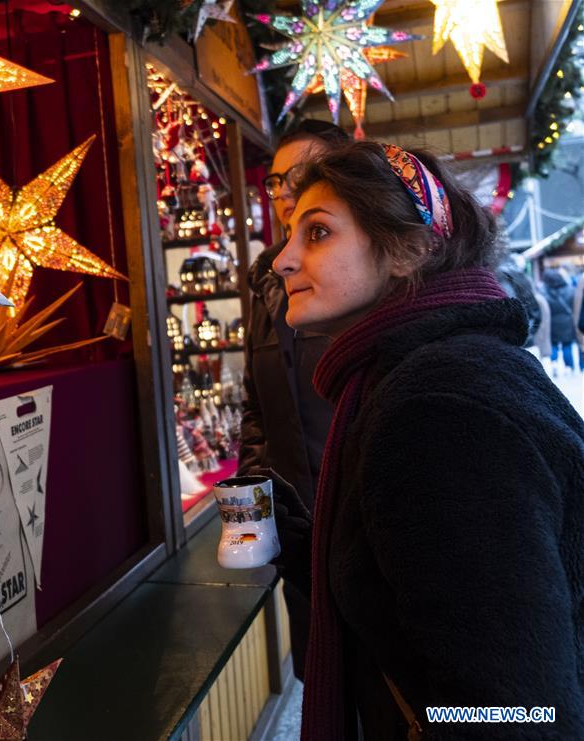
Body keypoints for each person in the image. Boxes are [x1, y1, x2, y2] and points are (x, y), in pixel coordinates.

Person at [269, 141, 584, 739]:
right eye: (290, 233)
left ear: (408, 250)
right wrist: (310, 549)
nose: (282, 260)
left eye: (316, 233)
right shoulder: (433, 373)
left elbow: (513, 712)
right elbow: (429, 607)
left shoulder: (435, 407)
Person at [238, 119, 348, 682]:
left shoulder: (360, 284)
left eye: (299, 177)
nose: (283, 192)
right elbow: (257, 410)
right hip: (301, 541)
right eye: (276, 180)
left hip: (362, 530)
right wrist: (254, 512)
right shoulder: (266, 289)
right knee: (321, 682)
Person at [542, 267, 578, 373]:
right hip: (567, 322)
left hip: (552, 324)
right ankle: (568, 367)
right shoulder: (570, 290)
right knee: (567, 345)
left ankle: (554, 364)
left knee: (554, 345)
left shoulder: (545, 293)